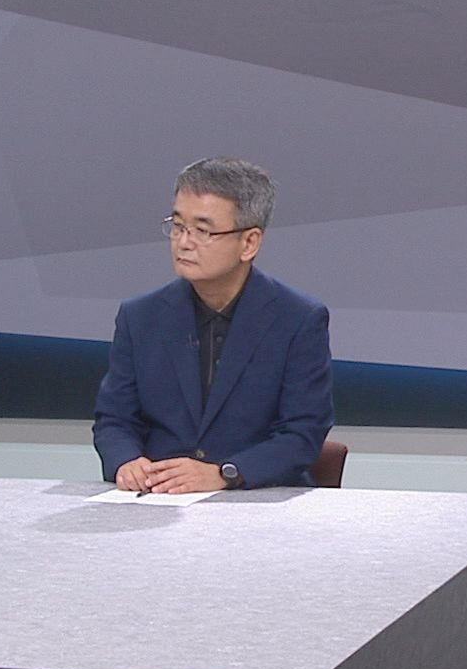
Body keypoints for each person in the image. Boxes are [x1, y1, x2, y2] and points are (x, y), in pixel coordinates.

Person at [92, 157, 333, 493]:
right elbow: (114, 420)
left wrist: (224, 474)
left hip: (256, 502)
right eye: (178, 226)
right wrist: (126, 461)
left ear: (249, 243)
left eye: (202, 230)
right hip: (157, 499)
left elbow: (302, 434)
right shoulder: (140, 317)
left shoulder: (298, 319)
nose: (183, 242)